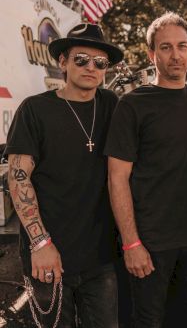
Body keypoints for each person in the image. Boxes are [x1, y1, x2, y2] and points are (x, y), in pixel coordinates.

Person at [104, 11, 187, 328]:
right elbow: (116, 178)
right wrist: (131, 243)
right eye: (165, 47)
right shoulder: (133, 104)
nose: (175, 55)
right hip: (152, 242)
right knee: (150, 321)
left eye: (182, 46)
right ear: (151, 54)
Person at [6, 23, 123, 327]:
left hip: (101, 257)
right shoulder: (35, 110)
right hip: (49, 257)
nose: (91, 68)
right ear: (63, 62)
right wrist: (40, 244)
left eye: (100, 63)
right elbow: (18, 178)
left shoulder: (112, 105)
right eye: (81, 59)